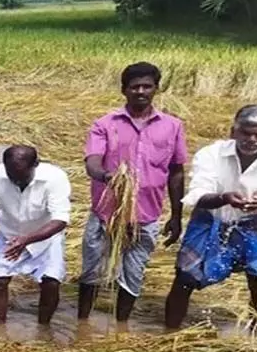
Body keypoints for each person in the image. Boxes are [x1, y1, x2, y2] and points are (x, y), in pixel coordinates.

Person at [164, 105, 257, 329]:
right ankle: (169, 333)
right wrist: (225, 198)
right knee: (185, 278)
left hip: (254, 223)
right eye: (246, 133)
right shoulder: (211, 154)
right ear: (233, 132)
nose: (252, 139)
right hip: (210, 219)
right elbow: (198, 194)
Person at [79, 62, 188, 324]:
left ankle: (121, 326)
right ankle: (82, 324)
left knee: (133, 273)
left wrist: (176, 216)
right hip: (106, 215)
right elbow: (92, 161)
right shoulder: (105, 124)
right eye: (134, 86)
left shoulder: (172, 126)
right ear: (124, 90)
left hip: (146, 217)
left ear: (156, 89)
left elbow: (176, 171)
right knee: (92, 272)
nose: (141, 91)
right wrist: (106, 176)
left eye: (147, 86)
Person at [0, 145, 71, 325]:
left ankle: (44, 327)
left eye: (21, 177)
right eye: (11, 176)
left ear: (36, 164)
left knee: (51, 282)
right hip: (10, 234)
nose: (16, 181)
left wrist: (27, 240)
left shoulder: (55, 178)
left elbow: (60, 219)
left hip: (46, 236)